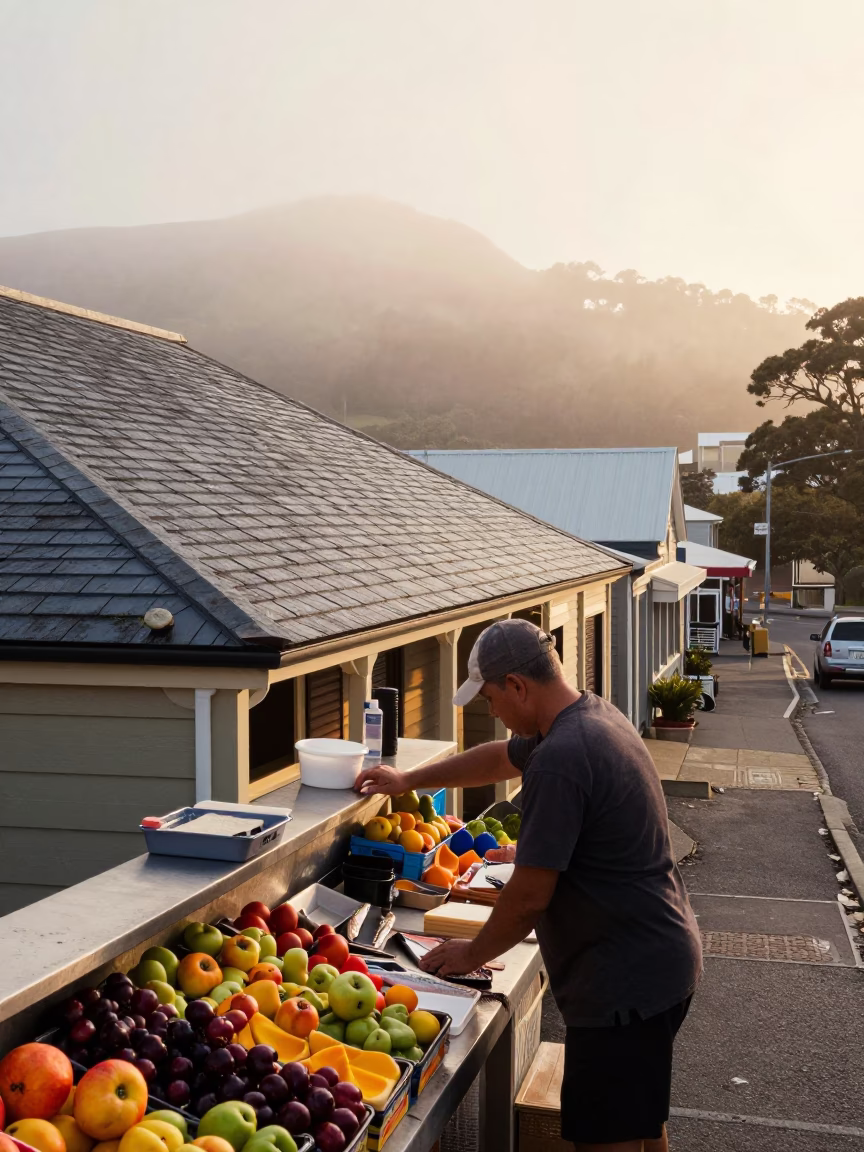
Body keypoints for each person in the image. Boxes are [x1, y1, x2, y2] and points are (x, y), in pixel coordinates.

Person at [355, 619, 702, 1152]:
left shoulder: (563, 756)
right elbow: (497, 757)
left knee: (607, 1140)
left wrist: (472, 952)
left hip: (623, 981)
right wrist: (408, 780)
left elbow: (527, 899)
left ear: (518, 685)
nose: (491, 711)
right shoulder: (588, 715)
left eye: (491, 698)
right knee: (638, 1124)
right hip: (657, 957)